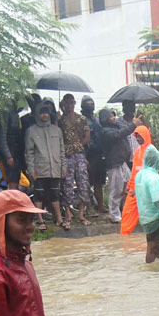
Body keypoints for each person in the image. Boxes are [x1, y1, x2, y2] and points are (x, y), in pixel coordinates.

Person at [24, 100, 65, 230]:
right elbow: (29, 153)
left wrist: (64, 167)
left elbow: (62, 150)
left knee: (55, 194)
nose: (44, 115)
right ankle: (40, 220)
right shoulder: (31, 131)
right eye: (41, 113)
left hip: (55, 168)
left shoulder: (57, 130)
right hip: (39, 168)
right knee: (39, 194)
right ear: (37, 114)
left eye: (46, 113)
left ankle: (59, 219)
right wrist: (31, 170)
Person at [134, 146, 159, 263]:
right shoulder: (153, 177)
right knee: (153, 245)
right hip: (155, 216)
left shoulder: (140, 174)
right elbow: (157, 199)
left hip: (146, 215)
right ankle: (150, 269)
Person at [58, 93, 92, 228]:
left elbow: (87, 137)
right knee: (67, 184)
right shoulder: (60, 121)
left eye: (72, 103)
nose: (70, 105)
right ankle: (68, 214)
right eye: (67, 103)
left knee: (83, 183)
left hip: (79, 155)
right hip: (66, 156)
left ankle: (82, 214)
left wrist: (78, 146)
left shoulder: (81, 119)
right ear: (63, 104)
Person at [98, 108, 137, 223]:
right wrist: (133, 124)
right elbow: (119, 134)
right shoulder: (105, 131)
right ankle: (114, 215)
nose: (114, 118)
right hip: (114, 163)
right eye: (110, 116)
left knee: (129, 185)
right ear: (105, 118)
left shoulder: (116, 126)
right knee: (116, 189)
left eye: (114, 116)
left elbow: (123, 131)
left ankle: (125, 210)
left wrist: (133, 123)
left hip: (122, 162)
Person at [82, 96, 106, 216]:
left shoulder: (96, 119)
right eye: (87, 104)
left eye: (92, 103)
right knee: (87, 182)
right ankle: (88, 207)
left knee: (99, 182)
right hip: (88, 154)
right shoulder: (82, 119)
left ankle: (100, 205)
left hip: (99, 153)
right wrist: (84, 157)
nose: (90, 106)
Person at [0, 97, 27, 190]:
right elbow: (2, 136)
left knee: (16, 177)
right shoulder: (5, 113)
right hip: (11, 152)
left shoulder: (15, 114)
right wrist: (8, 155)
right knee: (12, 179)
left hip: (17, 151)